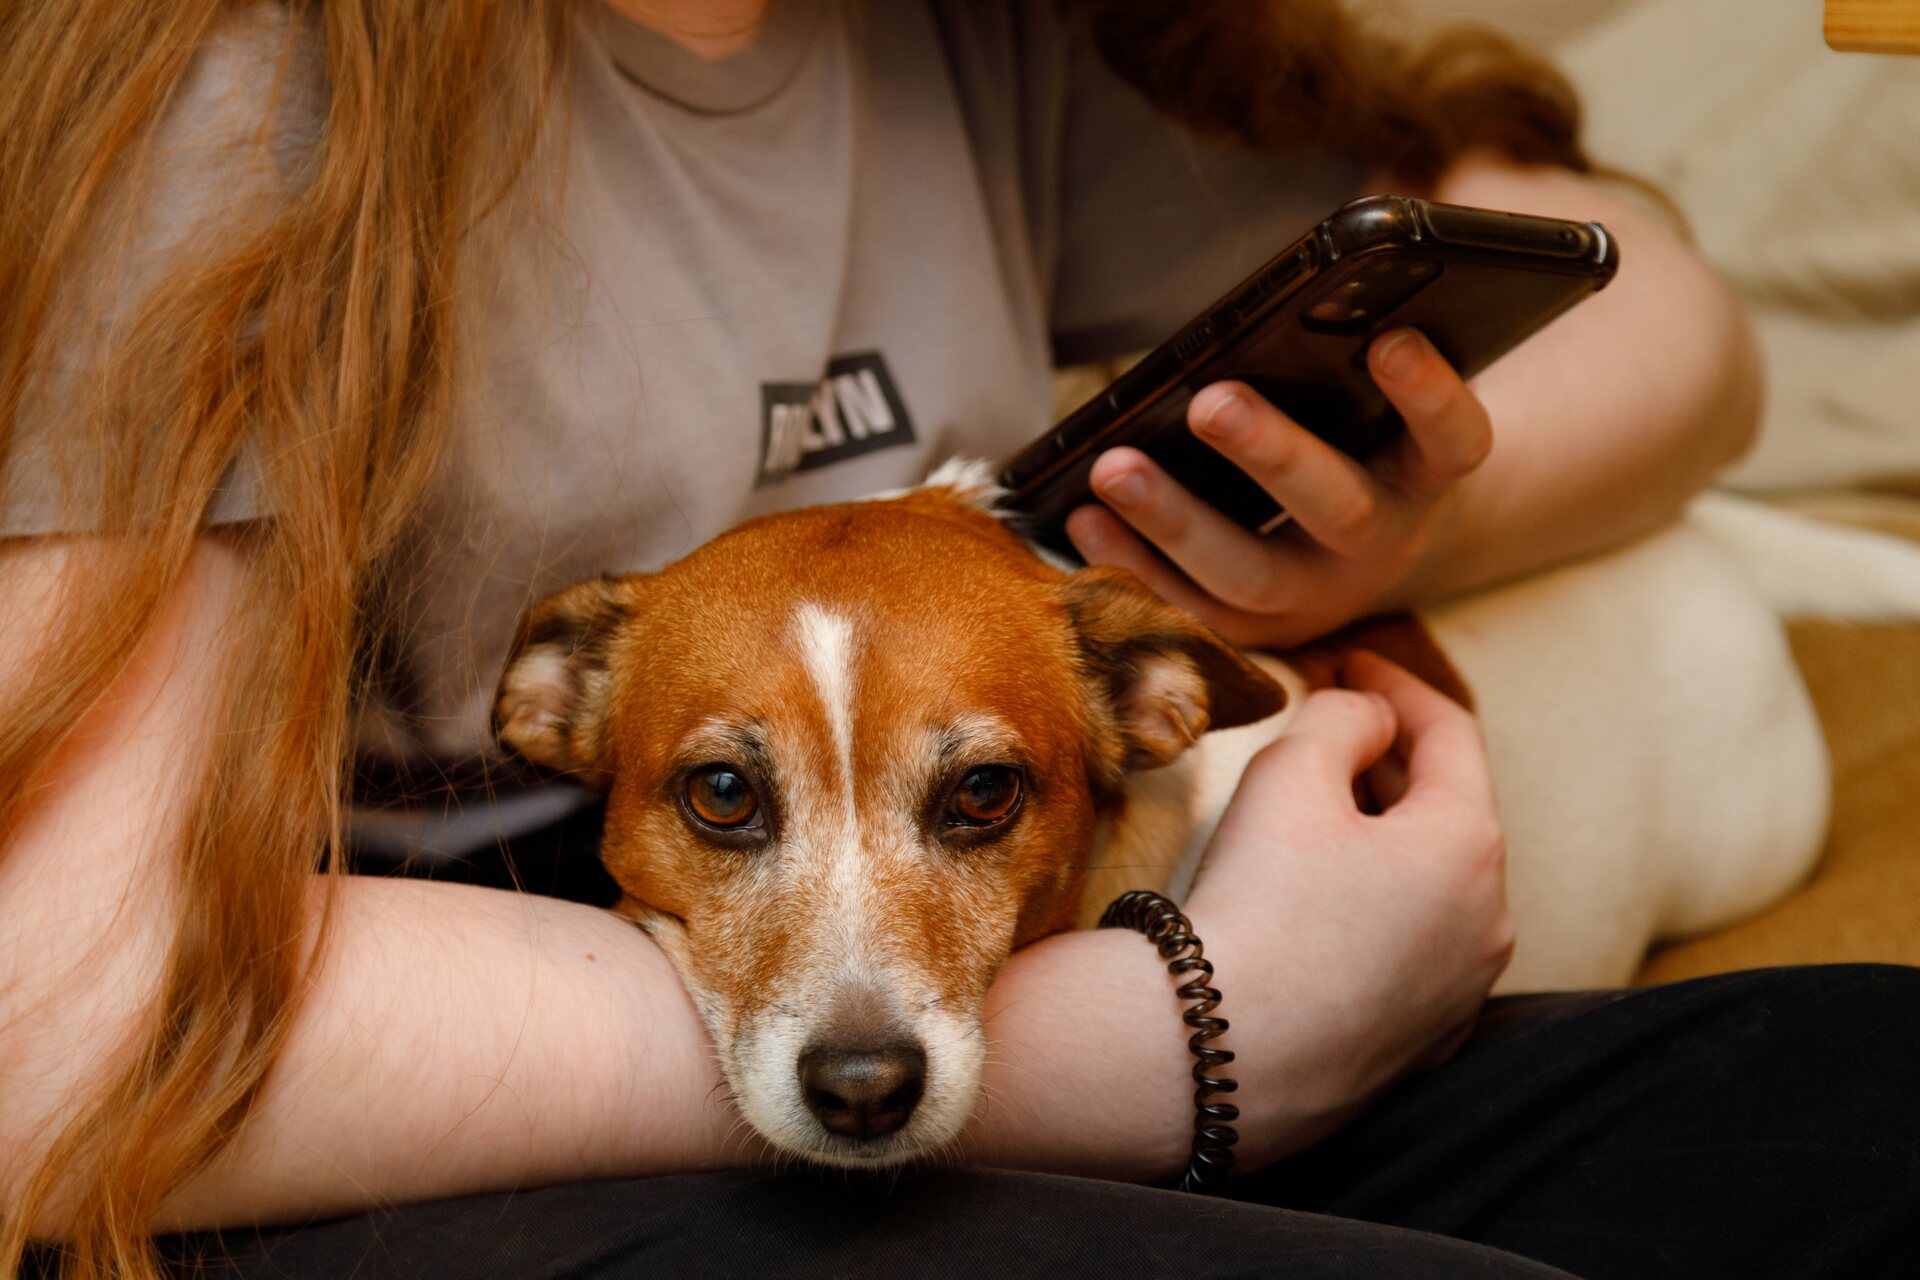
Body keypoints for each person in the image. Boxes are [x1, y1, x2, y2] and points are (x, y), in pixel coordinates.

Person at [1, 1, 1915, 1277]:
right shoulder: (231, 87)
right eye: (727, 796)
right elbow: (52, 1027)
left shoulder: (975, 33)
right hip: (409, 1100)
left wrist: (1369, 524)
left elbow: (1662, 305)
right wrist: (1179, 1039)